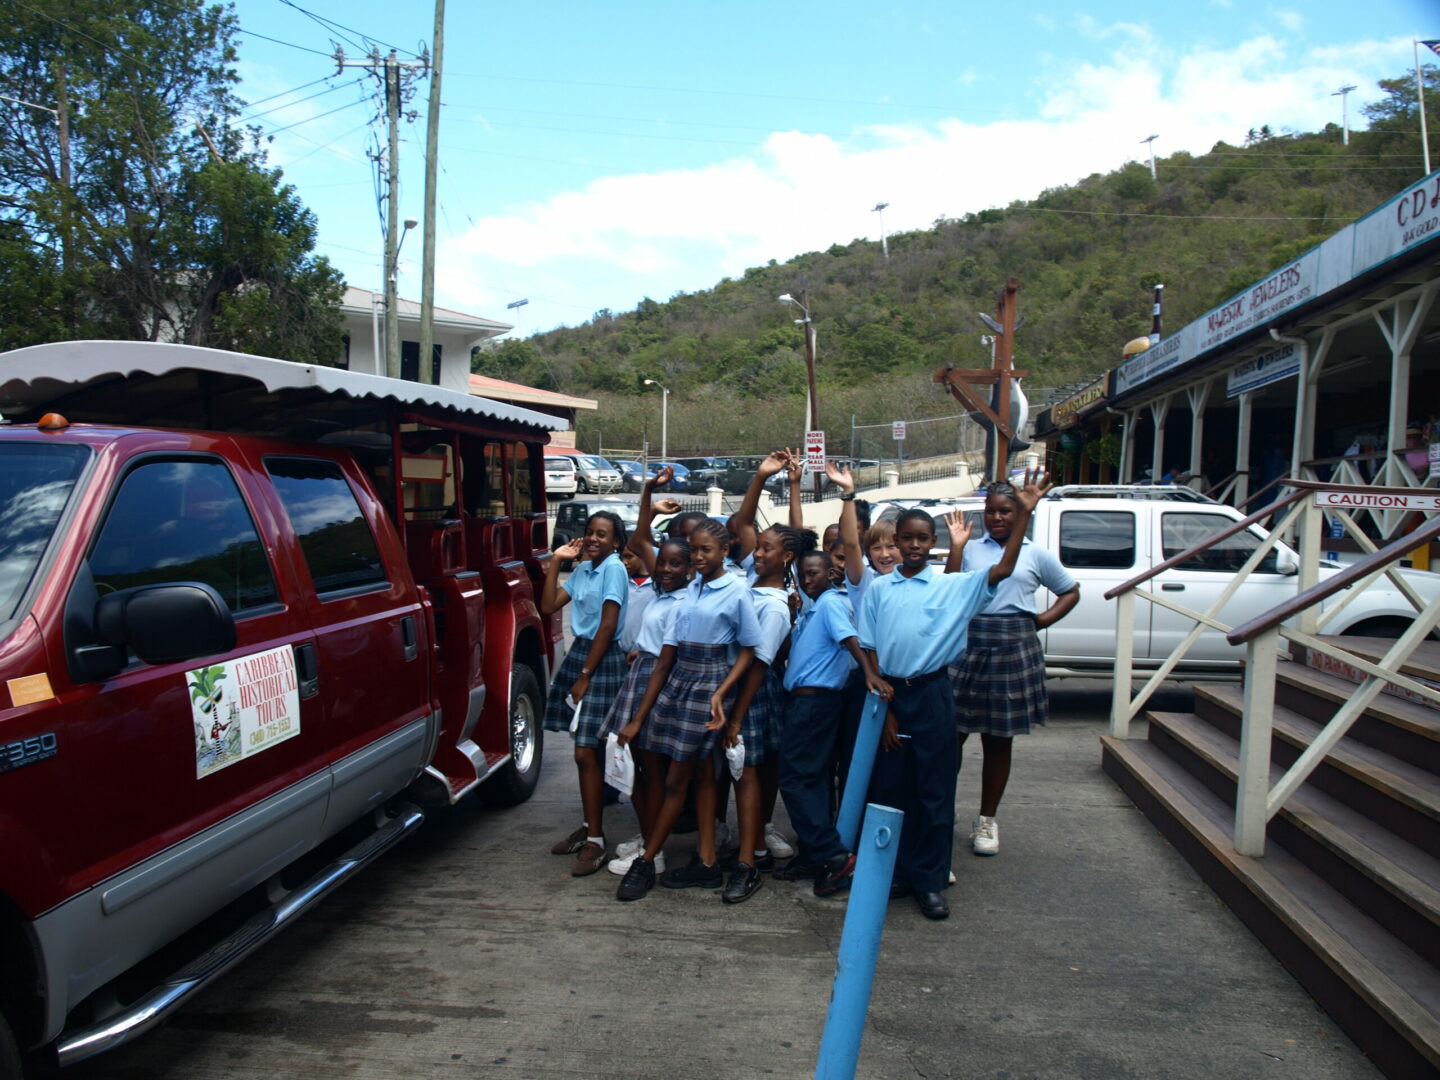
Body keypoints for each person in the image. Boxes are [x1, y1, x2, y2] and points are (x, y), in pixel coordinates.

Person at [858, 472, 1046, 921]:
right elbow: (868, 648)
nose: (916, 546)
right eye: (908, 538)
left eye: (924, 538)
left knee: (935, 791)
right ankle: (897, 874)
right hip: (891, 700)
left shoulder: (952, 586)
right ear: (897, 542)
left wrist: (1024, 513)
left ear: (933, 542)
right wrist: (882, 704)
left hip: (936, 696)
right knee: (892, 790)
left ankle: (931, 879)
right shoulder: (879, 589)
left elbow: (1001, 570)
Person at [614, 518, 761, 901]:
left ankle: (646, 860)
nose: (697, 557)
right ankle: (708, 862)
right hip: (681, 677)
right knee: (699, 773)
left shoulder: (737, 591)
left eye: (705, 550)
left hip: (711, 679)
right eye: (693, 550)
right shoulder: (692, 587)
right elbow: (666, 657)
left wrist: (721, 694)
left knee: (678, 779)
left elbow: (749, 650)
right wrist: (639, 718)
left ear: (724, 551)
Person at [951, 481, 1079, 857]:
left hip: (1013, 644)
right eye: (991, 511)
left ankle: (987, 819)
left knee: (998, 738)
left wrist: (1039, 621)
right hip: (968, 642)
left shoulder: (1035, 553)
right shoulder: (971, 548)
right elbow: (951, 588)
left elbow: (1071, 591)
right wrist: (957, 549)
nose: (996, 518)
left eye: (1005, 511)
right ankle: (940, 812)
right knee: (950, 735)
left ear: (1019, 512)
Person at [776, 547, 883, 895]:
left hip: (815, 703)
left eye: (813, 574)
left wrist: (869, 672)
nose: (807, 581)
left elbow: (849, 639)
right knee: (815, 780)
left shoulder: (833, 603)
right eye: (802, 575)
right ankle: (815, 855)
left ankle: (833, 855)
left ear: (831, 574)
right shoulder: (813, 607)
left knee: (794, 778)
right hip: (807, 702)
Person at [721, 522, 813, 903]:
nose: (757, 554)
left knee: (748, 774)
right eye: (757, 547)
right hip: (733, 688)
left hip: (752, 694)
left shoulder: (774, 605)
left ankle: (748, 863)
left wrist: (738, 716)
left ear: (787, 557)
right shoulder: (751, 587)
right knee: (741, 773)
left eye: (767, 549)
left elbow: (761, 663)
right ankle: (752, 847)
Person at [540, 511, 630, 876]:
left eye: (602, 534)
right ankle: (591, 831)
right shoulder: (582, 570)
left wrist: (586, 675)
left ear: (616, 543)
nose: (593, 539)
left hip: (602, 658)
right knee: (585, 751)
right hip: (583, 653)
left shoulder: (613, 569)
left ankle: (596, 840)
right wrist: (556, 562)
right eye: (590, 532)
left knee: (588, 750)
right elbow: (548, 606)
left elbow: (609, 624)